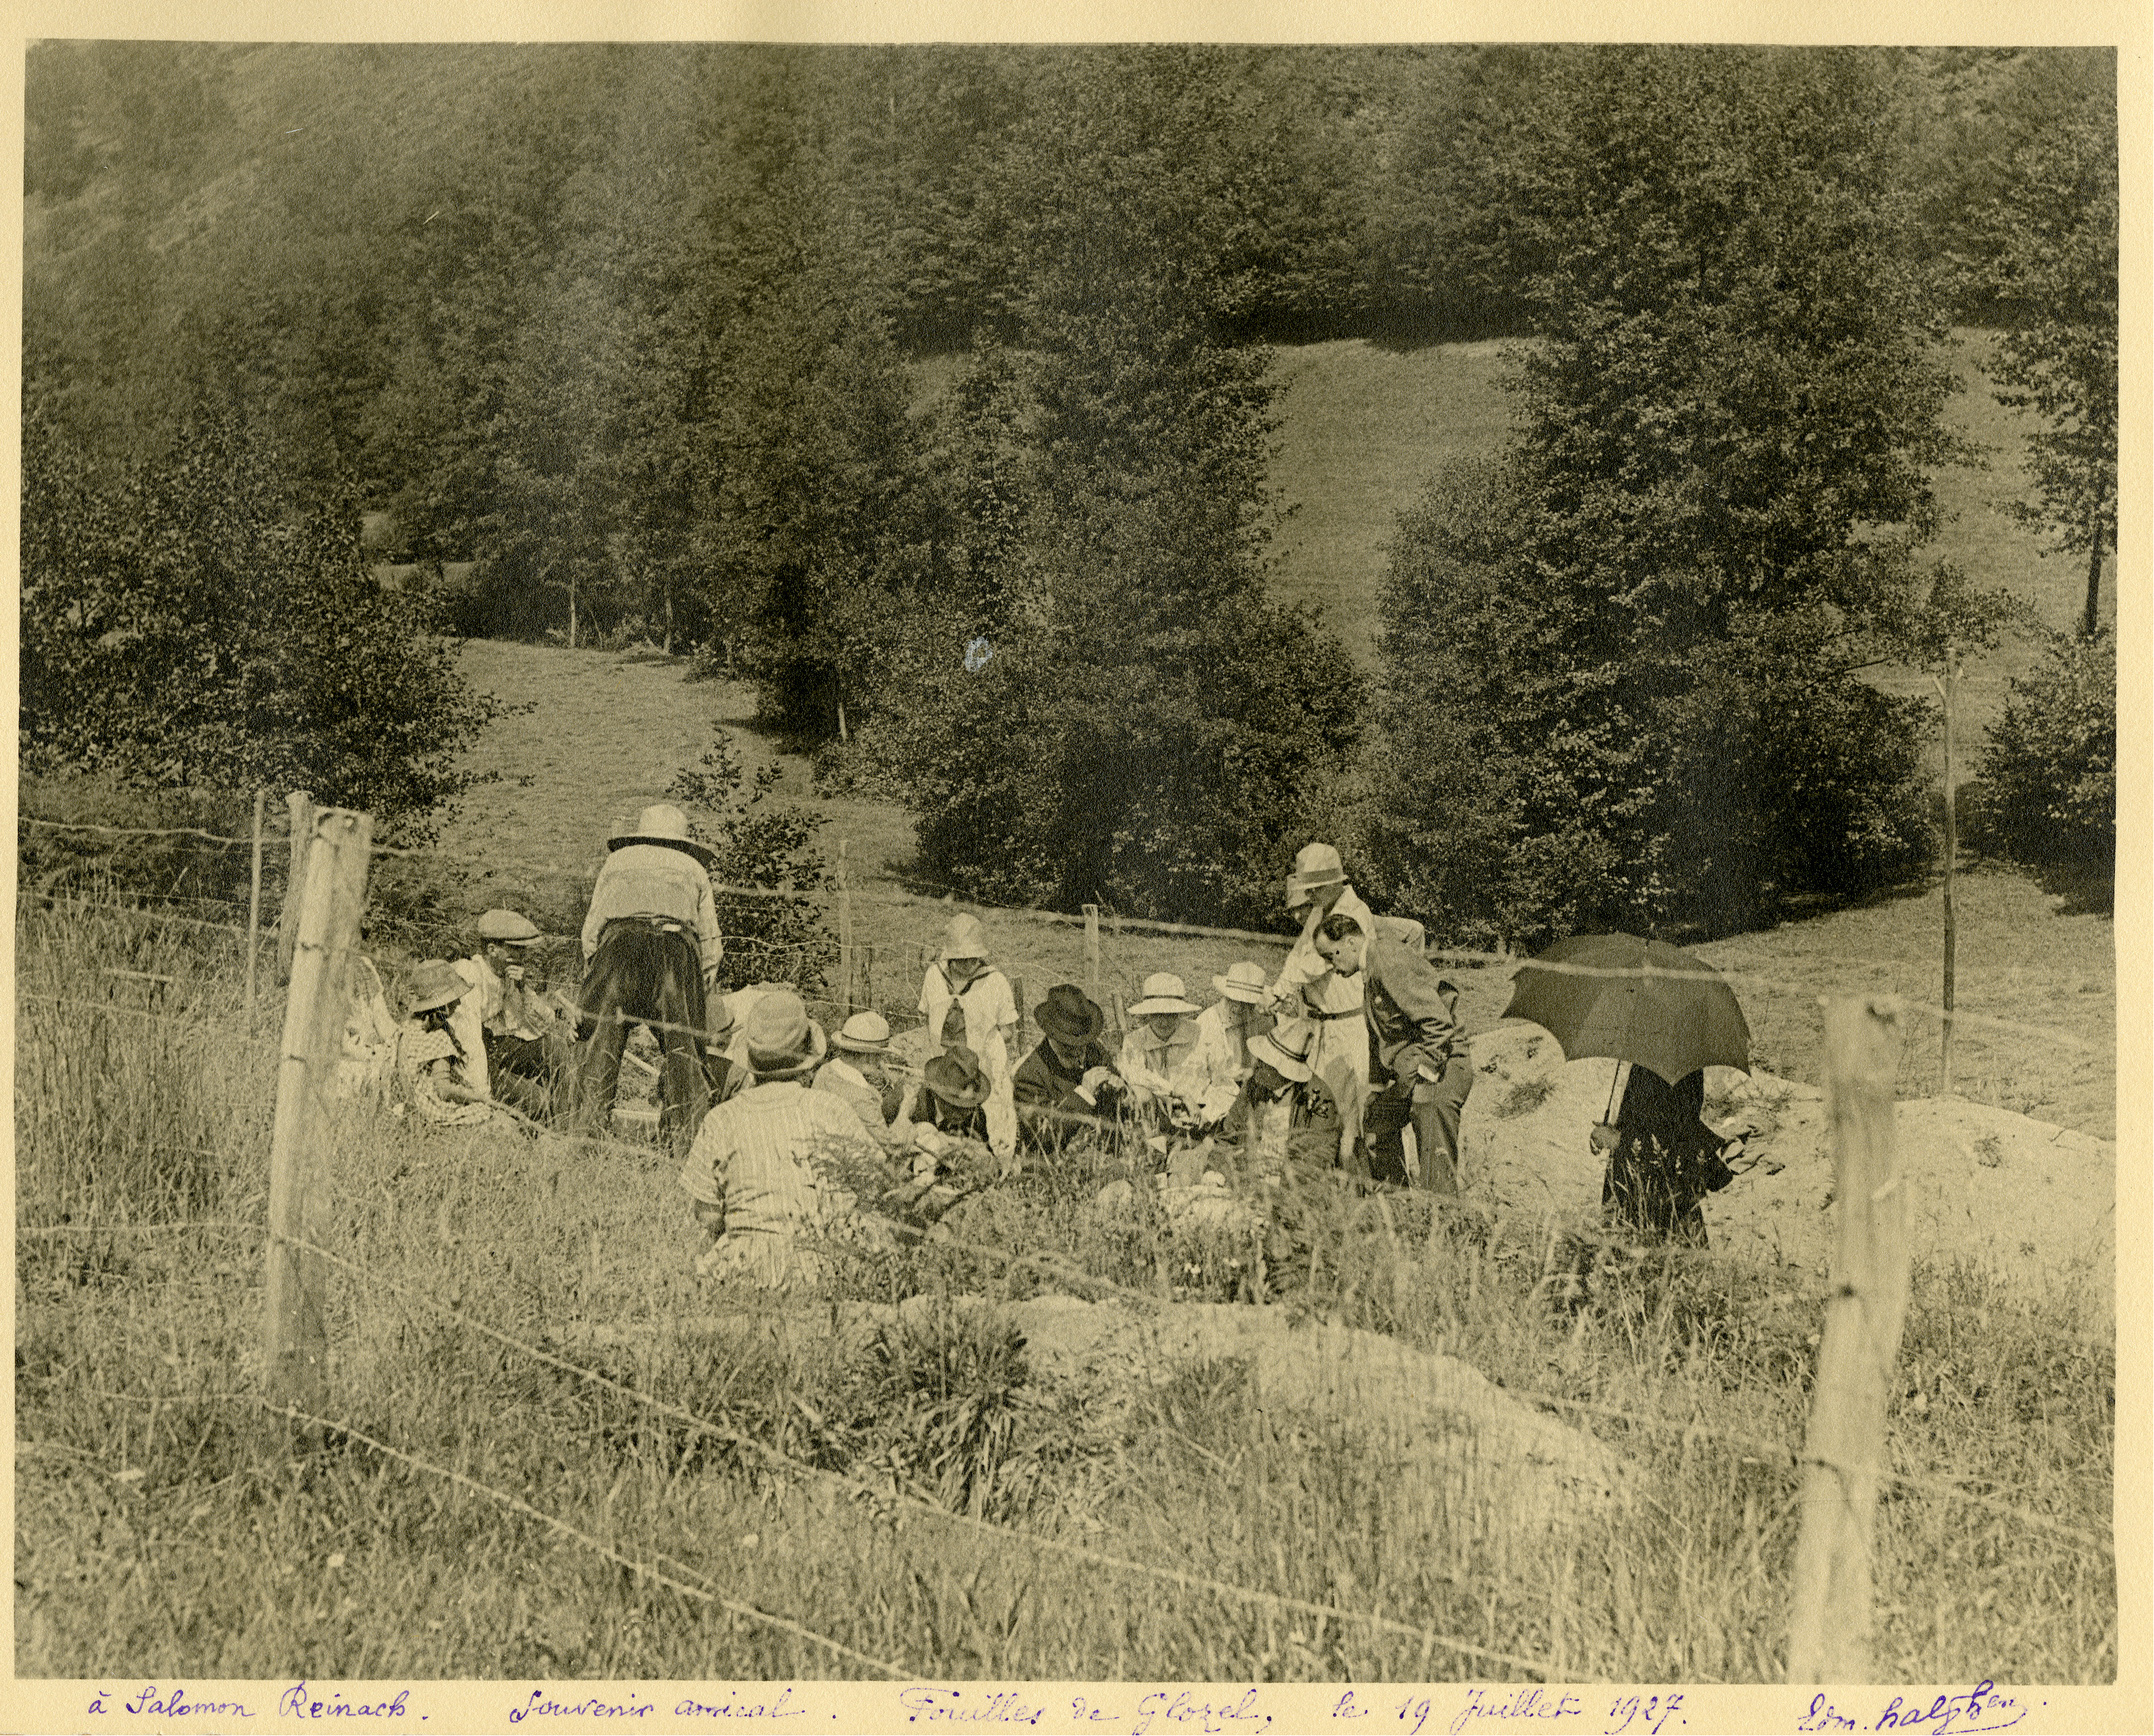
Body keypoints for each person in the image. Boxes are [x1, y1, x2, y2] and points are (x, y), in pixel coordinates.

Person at [679, 991, 881, 1290]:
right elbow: (877, 1185)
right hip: (823, 1267)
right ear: (808, 1055)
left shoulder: (720, 1119)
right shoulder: (832, 1109)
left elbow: (707, 1215)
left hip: (744, 1270)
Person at [573, 803, 724, 1159]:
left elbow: (591, 932)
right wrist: (698, 994)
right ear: (680, 839)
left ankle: (585, 1141)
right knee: (684, 1051)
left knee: (598, 1046)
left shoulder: (617, 862)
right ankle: (683, 1148)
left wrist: (594, 980)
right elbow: (711, 945)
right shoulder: (694, 868)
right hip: (675, 952)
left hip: (619, 949)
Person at [1309, 908, 1471, 1192]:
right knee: (1377, 1119)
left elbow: (1438, 1022)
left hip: (1443, 1065)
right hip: (1414, 1071)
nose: (1331, 966)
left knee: (1428, 1119)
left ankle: (1443, 1211)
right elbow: (1380, 1037)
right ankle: (1397, 1201)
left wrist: (1425, 1075)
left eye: (1331, 955)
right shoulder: (1371, 968)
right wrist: (1378, 1086)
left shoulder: (1387, 957)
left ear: (1350, 942)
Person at [1265, 843, 1377, 1164]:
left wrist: (1279, 990)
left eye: (1314, 889)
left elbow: (1314, 963)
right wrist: (1279, 990)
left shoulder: (1353, 912)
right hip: (1322, 1026)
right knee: (1318, 1107)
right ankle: (1318, 1175)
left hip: (1349, 1027)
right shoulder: (1320, 909)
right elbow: (1296, 957)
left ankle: (1354, 1179)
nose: (1309, 896)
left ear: (1333, 884)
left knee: (1351, 1115)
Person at [1594, 1065, 1744, 1246]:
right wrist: (1609, 1132)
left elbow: (1673, 1131)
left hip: (1654, 1195)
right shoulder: (1658, 1061)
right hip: (1648, 1189)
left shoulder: (1671, 1067)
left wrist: (1619, 1139)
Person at [452, 908, 572, 1120]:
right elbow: (470, 1043)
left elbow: (544, 1022)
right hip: (469, 1056)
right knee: (537, 1100)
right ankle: (545, 1122)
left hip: (499, 1047)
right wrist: (482, 1095)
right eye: (515, 950)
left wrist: (522, 988)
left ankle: (568, 1120)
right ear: (492, 950)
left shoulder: (506, 975)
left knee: (555, 1047)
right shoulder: (470, 974)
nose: (522, 957)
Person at [916, 915, 1018, 1161]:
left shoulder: (995, 981)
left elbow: (1009, 1031)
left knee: (993, 1120)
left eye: (973, 958)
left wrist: (984, 1045)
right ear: (950, 956)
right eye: (961, 959)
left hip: (983, 1067)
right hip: (945, 1067)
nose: (967, 964)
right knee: (938, 1119)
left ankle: (995, 1160)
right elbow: (924, 1016)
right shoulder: (934, 976)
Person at [395, 960, 517, 1129]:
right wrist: (477, 1097)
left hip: (416, 1106)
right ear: (443, 1005)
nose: (459, 1003)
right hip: (433, 1111)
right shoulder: (436, 1036)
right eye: (454, 998)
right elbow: (443, 1089)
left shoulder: (410, 1027)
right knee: (504, 1123)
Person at [1012, 984, 1126, 1150]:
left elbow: (1118, 1106)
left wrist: (1121, 1091)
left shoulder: (1094, 1050)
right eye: (1069, 1045)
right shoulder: (1029, 1076)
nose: (1079, 1052)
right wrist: (1084, 1094)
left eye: (1082, 1044)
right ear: (1052, 1035)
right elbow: (1041, 1140)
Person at [1120, 973, 1234, 1130]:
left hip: (1202, 1119)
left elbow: (1226, 1086)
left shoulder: (1203, 1035)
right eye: (1156, 1014)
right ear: (1147, 1014)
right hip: (1155, 1121)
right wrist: (1178, 1093)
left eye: (1170, 1014)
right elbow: (1133, 1075)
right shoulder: (1135, 1041)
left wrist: (1208, 1115)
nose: (1163, 1022)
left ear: (1180, 1012)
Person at [815, 1012, 907, 1142]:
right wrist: (905, 1111)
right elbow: (891, 1146)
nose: (881, 1061)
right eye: (879, 1055)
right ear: (868, 1057)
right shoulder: (861, 1097)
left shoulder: (825, 1072)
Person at [1192, 962, 1273, 1093]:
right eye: (1234, 1000)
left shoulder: (1264, 1022)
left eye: (1246, 1004)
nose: (1238, 1008)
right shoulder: (1207, 1022)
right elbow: (1197, 1076)